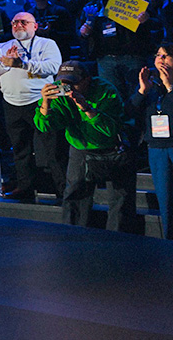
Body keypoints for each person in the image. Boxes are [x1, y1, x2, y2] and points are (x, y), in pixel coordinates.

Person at [36, 61, 132, 230]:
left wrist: (86, 108)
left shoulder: (105, 90)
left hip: (111, 149)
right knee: (75, 196)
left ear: (87, 80)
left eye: (73, 83)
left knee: (120, 201)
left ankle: (119, 238)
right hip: (81, 148)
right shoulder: (58, 92)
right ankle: (73, 235)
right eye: (64, 83)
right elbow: (45, 126)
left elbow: (110, 129)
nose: (68, 88)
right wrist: (46, 103)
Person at [0, 12, 64, 202]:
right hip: (12, 103)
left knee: (53, 148)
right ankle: (25, 188)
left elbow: (53, 67)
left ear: (35, 26)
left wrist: (22, 64)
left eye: (23, 22)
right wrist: (6, 64)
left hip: (41, 101)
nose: (18, 25)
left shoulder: (47, 44)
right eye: (15, 22)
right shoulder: (2, 47)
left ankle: (63, 190)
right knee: (20, 149)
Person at [135, 43, 173, 238]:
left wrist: (170, 87)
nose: (161, 59)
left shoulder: (167, 85)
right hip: (157, 148)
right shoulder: (151, 84)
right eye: (158, 55)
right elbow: (129, 112)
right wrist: (142, 91)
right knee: (166, 202)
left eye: (166, 55)